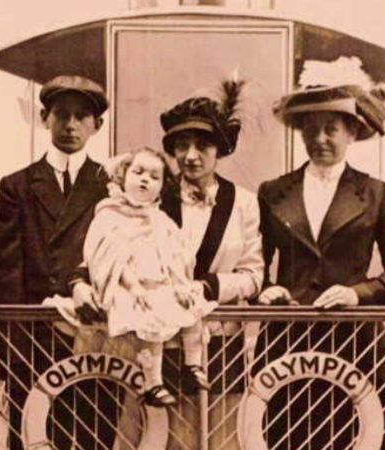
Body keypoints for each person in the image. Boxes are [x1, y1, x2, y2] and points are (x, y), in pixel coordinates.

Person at [72, 79, 264, 447]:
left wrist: (209, 286)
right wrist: (79, 285)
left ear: (219, 149)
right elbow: (101, 255)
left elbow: (254, 275)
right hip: (153, 343)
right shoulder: (145, 198)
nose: (191, 155)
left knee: (219, 439)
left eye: (202, 145)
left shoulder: (244, 203)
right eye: (181, 146)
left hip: (219, 345)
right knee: (152, 438)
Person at [253, 84, 385, 450]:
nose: (320, 139)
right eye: (311, 129)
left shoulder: (376, 193)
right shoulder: (273, 192)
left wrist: (357, 294)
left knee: (360, 439)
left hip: (355, 344)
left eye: (331, 129)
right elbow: (253, 264)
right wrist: (267, 289)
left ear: (353, 132)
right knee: (285, 439)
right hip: (286, 343)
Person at [0, 75, 114, 450]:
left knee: (95, 438)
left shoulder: (110, 184)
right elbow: (6, 277)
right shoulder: (18, 186)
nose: (71, 125)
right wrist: (11, 356)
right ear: (45, 118)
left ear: (97, 125)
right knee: (32, 439)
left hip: (94, 342)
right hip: (36, 344)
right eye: (61, 115)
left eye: (81, 116)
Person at [74, 146, 217, 406]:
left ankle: (193, 366)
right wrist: (135, 286)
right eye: (138, 172)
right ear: (122, 177)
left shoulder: (160, 220)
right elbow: (113, 257)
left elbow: (175, 257)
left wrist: (180, 285)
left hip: (161, 283)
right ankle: (153, 383)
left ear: (161, 187)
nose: (144, 180)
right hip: (130, 286)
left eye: (154, 177)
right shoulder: (110, 215)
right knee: (151, 321)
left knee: (193, 303)